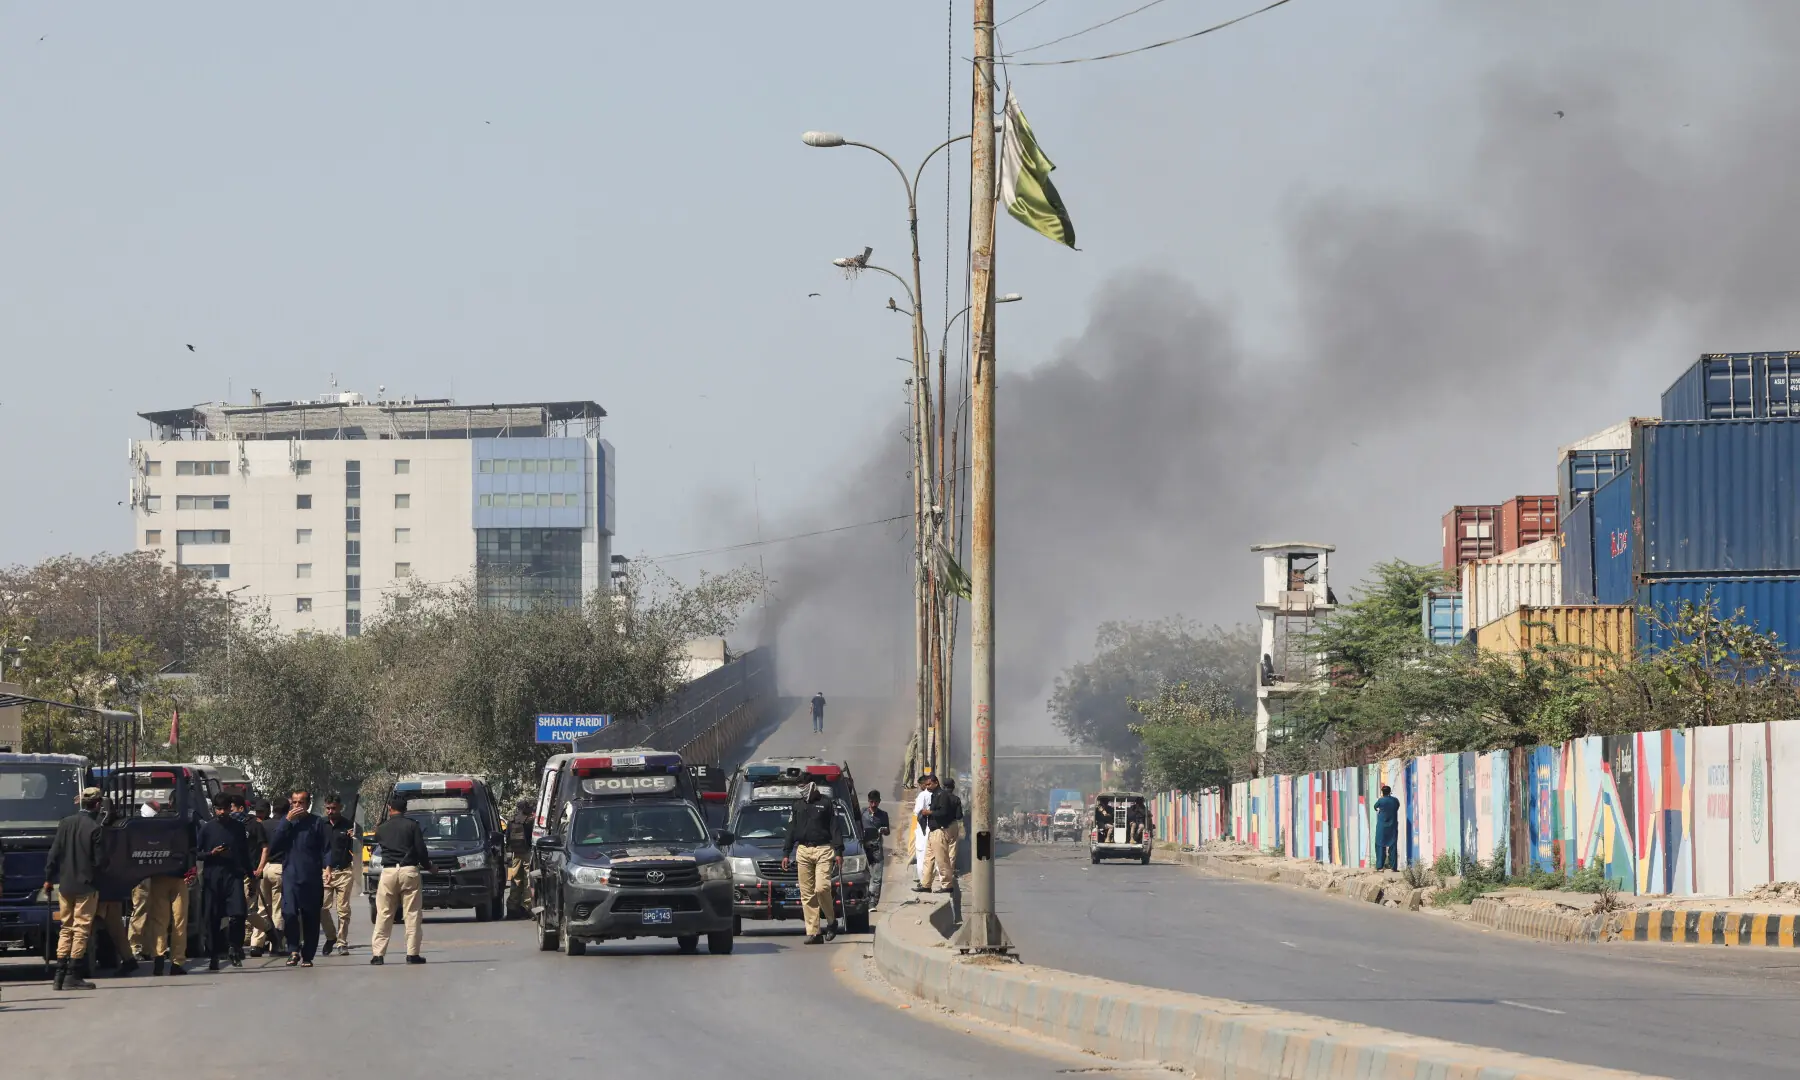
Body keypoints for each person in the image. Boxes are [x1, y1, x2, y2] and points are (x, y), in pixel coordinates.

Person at [43, 786, 105, 991]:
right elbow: (100, 862)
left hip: (65, 885)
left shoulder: (65, 823)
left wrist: (48, 878)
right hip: (86, 886)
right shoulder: (95, 828)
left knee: (66, 927)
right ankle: (73, 974)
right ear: (97, 804)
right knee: (81, 929)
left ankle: (58, 976)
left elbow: (53, 854)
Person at [265, 788, 332, 967]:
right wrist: (287, 821)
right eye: (294, 802)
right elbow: (274, 845)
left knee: (311, 916)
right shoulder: (286, 822)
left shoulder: (317, 823)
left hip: (311, 876)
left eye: (301, 802)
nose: (297, 806)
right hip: (290, 876)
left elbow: (326, 848)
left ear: (308, 804)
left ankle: (308, 955)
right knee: (289, 913)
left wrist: (327, 867)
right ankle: (293, 949)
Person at [781, 781, 844, 944]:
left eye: (805, 787)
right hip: (803, 850)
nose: (802, 791)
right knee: (807, 893)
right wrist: (786, 852)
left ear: (813, 787)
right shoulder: (797, 805)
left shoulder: (826, 803)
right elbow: (791, 829)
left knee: (822, 888)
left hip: (824, 849)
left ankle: (831, 921)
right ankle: (814, 932)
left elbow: (835, 828)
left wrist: (839, 851)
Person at [195, 792, 251, 971]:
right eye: (218, 809)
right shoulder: (207, 828)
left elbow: (244, 853)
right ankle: (214, 955)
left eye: (225, 809)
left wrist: (251, 875)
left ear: (230, 809)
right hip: (212, 877)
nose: (221, 812)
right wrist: (212, 853)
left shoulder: (238, 828)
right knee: (212, 917)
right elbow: (197, 853)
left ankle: (234, 947)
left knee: (238, 914)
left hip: (233, 876)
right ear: (214, 809)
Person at [370, 795, 428, 965]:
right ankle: (412, 954)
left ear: (390, 808)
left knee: (384, 913)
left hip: (388, 872)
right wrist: (429, 866)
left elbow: (377, 842)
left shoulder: (382, 828)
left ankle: (378, 955)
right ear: (405, 809)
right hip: (409, 871)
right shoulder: (412, 825)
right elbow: (421, 851)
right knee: (412, 914)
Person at [238, 797, 278, 955]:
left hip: (258, 871)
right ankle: (254, 941)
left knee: (257, 908)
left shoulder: (259, 825)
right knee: (253, 909)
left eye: (262, 812)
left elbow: (265, 848)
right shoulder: (245, 824)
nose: (259, 815)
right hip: (246, 871)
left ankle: (268, 937)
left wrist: (259, 868)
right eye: (258, 812)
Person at [250, 797, 289, 956]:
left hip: (263, 868)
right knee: (278, 909)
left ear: (272, 809)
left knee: (262, 908)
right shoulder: (286, 826)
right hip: (279, 867)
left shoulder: (262, 825)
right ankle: (276, 944)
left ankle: (256, 944)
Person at [319, 795, 357, 956]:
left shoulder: (349, 825)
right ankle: (331, 936)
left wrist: (354, 837)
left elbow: (357, 849)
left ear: (340, 808)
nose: (330, 811)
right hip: (324, 872)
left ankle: (342, 942)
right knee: (322, 908)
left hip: (344, 871)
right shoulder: (320, 825)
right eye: (328, 808)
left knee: (343, 910)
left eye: (333, 808)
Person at [921, 776, 963, 893]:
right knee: (928, 859)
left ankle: (947, 885)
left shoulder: (942, 795)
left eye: (929, 784)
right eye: (926, 785)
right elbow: (959, 815)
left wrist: (929, 812)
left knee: (942, 859)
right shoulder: (936, 795)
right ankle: (925, 884)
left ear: (936, 783)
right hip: (936, 830)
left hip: (940, 830)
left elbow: (943, 812)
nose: (927, 787)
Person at [504, 797, 533, 917]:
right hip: (527, 852)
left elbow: (507, 837)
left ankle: (512, 907)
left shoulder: (511, 820)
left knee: (515, 880)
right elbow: (532, 837)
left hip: (515, 853)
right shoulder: (529, 821)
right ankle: (527, 906)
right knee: (527, 880)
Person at [860, 790, 891, 903]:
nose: (873, 804)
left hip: (876, 848)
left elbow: (888, 831)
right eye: (871, 802)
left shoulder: (883, 815)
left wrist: (884, 830)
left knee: (877, 877)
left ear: (879, 802)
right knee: (864, 875)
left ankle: (873, 901)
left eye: (876, 802)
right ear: (868, 801)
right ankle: (863, 898)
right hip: (863, 848)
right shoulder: (862, 813)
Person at [911, 775, 935, 890]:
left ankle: (923, 882)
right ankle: (928, 881)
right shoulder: (937, 794)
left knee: (921, 857)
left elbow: (918, 811)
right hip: (934, 829)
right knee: (931, 857)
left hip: (923, 829)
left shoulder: (923, 795)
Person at [1373, 785, 1401, 872]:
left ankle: (1380, 867)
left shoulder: (1381, 800)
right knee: (1393, 846)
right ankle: (1393, 867)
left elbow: (1375, 807)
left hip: (1381, 827)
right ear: (1390, 791)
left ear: (1382, 792)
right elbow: (1397, 807)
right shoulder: (1395, 800)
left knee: (1380, 845)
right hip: (1392, 826)